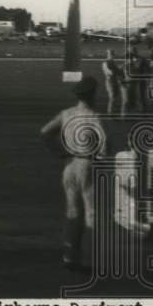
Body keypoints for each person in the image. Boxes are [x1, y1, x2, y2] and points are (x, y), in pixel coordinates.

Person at [40, 76, 107, 270]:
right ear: (93, 94)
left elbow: (44, 132)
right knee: (92, 212)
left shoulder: (66, 114)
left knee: (72, 211)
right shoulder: (95, 117)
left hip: (70, 165)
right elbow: (105, 147)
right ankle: (93, 258)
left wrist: (60, 152)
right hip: (88, 164)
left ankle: (71, 256)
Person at [101, 49, 126, 115]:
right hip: (110, 82)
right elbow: (110, 72)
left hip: (114, 81)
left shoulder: (112, 62)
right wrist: (119, 68)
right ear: (108, 55)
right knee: (112, 97)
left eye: (112, 54)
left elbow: (117, 71)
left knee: (115, 96)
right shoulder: (105, 63)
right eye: (110, 54)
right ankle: (110, 112)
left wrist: (121, 68)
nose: (112, 56)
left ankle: (113, 111)